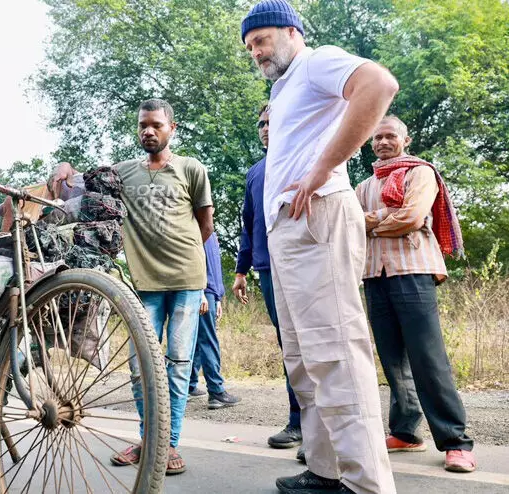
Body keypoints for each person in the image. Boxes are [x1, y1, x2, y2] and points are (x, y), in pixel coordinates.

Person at [241, 1, 400, 492]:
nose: (256, 52)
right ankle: (328, 471)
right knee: (304, 359)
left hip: (319, 218)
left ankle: (366, 485)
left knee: (335, 352)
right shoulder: (284, 88)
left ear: (292, 32)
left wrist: (322, 168)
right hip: (289, 231)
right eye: (249, 47)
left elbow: (379, 84)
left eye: (262, 40)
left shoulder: (316, 61)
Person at [49, 98, 214, 475]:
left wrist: (198, 273)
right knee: (141, 366)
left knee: (176, 365)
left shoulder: (191, 169)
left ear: (173, 128)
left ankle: (167, 444)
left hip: (187, 282)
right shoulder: (122, 173)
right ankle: (149, 439)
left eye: (156, 124)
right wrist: (63, 168)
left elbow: (206, 225)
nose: (148, 131)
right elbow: (75, 189)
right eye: (143, 125)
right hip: (144, 284)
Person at [356, 115, 475, 473]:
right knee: (392, 360)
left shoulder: (419, 173)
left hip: (414, 272)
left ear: (405, 140)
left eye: (390, 136)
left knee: (428, 360)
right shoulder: (363, 186)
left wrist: (372, 223)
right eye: (376, 137)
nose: (382, 142)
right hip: (375, 276)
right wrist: (385, 219)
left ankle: (456, 441)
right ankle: (406, 432)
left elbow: (413, 216)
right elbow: (350, 223)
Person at [233, 104, 303, 452]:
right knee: (289, 345)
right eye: (260, 123)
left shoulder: (303, 159)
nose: (264, 128)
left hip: (303, 262)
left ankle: (328, 430)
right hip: (267, 267)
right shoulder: (255, 172)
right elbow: (249, 223)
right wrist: (241, 269)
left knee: (314, 344)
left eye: (271, 123)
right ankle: (298, 423)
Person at [188, 232, 241, 409]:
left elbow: (214, 267)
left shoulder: (212, 234)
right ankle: (216, 391)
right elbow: (194, 263)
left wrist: (217, 297)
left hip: (210, 292)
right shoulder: (198, 228)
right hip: (202, 290)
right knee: (208, 340)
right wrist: (203, 292)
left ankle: (188, 384)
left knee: (196, 341)